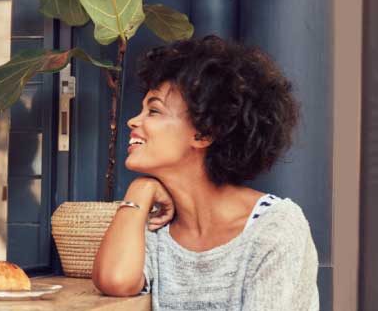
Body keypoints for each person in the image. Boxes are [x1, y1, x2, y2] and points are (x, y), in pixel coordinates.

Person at [91, 36, 318, 310]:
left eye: (153, 110)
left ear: (204, 133)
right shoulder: (157, 228)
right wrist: (140, 189)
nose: (134, 121)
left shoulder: (274, 228)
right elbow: (115, 280)